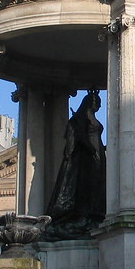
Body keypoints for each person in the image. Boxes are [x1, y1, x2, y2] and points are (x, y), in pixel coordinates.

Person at [44, 91, 106, 239]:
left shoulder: (90, 119)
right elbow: (73, 141)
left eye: (99, 102)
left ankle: (94, 213)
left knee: (98, 185)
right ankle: (81, 214)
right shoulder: (78, 120)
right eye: (96, 102)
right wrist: (88, 147)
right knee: (85, 184)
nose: (98, 105)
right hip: (86, 158)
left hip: (99, 155)